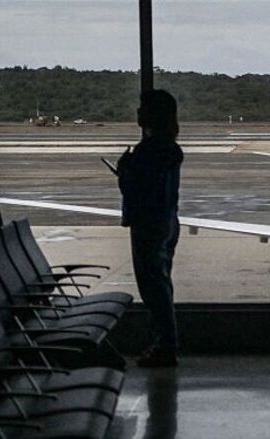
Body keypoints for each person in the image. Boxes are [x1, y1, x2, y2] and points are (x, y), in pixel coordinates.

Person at [119, 89, 183, 368]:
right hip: (167, 221)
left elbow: (137, 190)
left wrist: (124, 171)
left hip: (149, 224)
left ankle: (165, 345)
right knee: (162, 286)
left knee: (153, 289)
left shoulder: (148, 150)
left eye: (143, 108)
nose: (138, 112)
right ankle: (164, 343)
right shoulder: (170, 149)